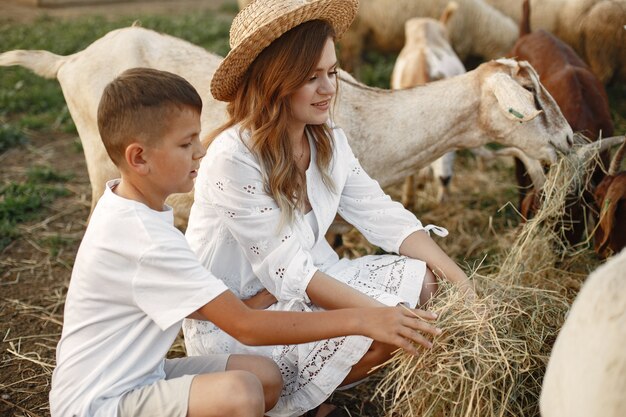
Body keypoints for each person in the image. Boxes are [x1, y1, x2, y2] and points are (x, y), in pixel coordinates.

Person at [48, 67, 441, 417]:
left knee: (264, 377)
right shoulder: (144, 237)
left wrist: (237, 305)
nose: (201, 151)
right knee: (241, 393)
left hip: (140, 372)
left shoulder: (130, 209)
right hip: (98, 400)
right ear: (139, 158)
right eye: (186, 144)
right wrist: (366, 317)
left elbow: (175, 293)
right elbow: (248, 329)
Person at [183, 1, 475, 416]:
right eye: (311, 77)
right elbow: (291, 273)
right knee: (387, 329)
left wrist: (460, 280)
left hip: (306, 283)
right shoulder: (233, 158)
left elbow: (380, 211)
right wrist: (380, 318)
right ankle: (298, 405)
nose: (329, 89)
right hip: (244, 320)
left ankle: (315, 395)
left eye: (332, 72)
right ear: (274, 82)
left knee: (428, 284)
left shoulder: (325, 137)